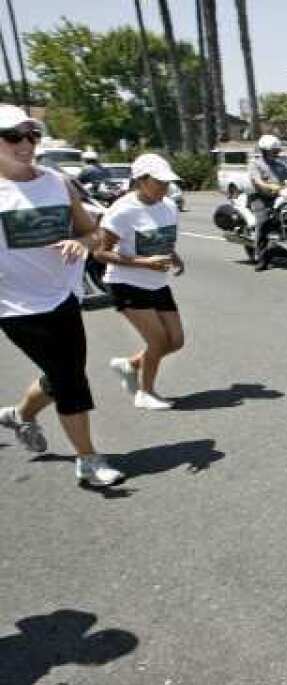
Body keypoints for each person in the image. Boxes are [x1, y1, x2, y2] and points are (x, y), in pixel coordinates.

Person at [0, 105, 125, 487]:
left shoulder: (58, 182)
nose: (25, 144)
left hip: (63, 296)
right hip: (15, 306)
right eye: (13, 136)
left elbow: (94, 233)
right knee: (70, 379)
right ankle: (88, 460)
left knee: (64, 374)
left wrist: (80, 243)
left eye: (31, 135)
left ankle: (20, 415)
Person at [92, 153, 185, 410]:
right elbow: (100, 252)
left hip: (157, 282)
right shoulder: (122, 210)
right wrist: (144, 262)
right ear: (141, 180)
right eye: (159, 182)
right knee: (158, 341)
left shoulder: (168, 206)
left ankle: (130, 365)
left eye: (167, 182)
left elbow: (164, 239)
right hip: (126, 283)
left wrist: (174, 256)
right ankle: (146, 393)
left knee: (175, 341)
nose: (165, 188)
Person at [248, 134, 287, 272]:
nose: (277, 153)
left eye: (277, 150)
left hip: (279, 197)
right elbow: (257, 181)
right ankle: (260, 257)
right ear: (265, 151)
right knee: (263, 221)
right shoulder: (255, 163)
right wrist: (269, 186)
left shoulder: (281, 166)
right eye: (274, 151)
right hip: (260, 198)